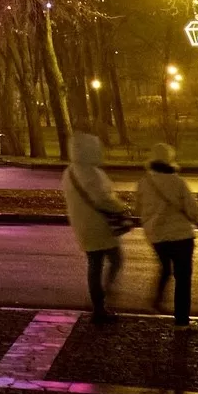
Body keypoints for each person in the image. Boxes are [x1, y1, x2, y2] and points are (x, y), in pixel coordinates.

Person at [62, 132, 131, 325]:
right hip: (100, 225)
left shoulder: (69, 172)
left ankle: (98, 306)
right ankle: (104, 300)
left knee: (94, 265)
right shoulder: (93, 173)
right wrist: (121, 207)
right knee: (116, 260)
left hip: (83, 225)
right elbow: (103, 199)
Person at [134, 143, 198, 328]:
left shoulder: (143, 182)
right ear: (170, 159)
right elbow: (193, 209)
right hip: (182, 236)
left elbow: (137, 209)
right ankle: (182, 321)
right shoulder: (177, 182)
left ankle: (156, 300)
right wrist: (194, 218)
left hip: (156, 237)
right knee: (183, 278)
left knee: (165, 267)